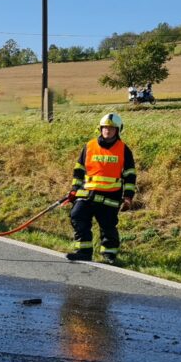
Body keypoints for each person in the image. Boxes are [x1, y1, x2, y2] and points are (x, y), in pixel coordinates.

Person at [62, 113, 137, 264]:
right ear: (100, 128)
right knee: (77, 215)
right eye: (105, 127)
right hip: (87, 193)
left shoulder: (124, 150)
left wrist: (128, 196)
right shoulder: (89, 146)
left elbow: (130, 175)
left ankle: (109, 254)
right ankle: (83, 251)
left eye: (111, 128)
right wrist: (74, 189)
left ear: (118, 130)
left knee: (108, 226)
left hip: (110, 196)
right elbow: (79, 170)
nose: (108, 130)